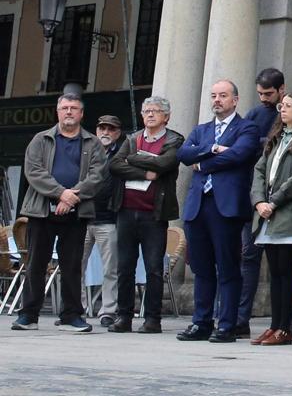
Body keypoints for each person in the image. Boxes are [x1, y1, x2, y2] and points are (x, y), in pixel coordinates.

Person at [10, 93, 105, 332]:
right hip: (41, 211)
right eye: (65, 108)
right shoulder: (40, 139)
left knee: (72, 265)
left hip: (76, 212)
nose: (69, 112)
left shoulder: (93, 143)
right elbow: (34, 172)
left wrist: (72, 197)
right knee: (36, 263)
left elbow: (97, 175)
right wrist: (61, 193)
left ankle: (71, 315)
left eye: (74, 108)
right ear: (58, 111)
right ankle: (28, 315)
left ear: (82, 114)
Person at [177, 79, 262, 342]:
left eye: (223, 95)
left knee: (227, 267)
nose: (217, 100)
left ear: (235, 100)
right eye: (213, 95)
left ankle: (227, 324)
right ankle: (201, 322)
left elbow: (239, 155)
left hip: (226, 207)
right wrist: (212, 149)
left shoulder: (246, 128)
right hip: (197, 207)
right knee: (201, 269)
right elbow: (183, 153)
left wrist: (203, 164)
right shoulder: (201, 130)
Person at [107, 96, 184, 334]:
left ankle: (152, 319)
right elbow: (115, 165)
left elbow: (164, 164)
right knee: (125, 267)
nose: (150, 114)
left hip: (154, 214)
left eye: (156, 111)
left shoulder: (174, 139)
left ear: (166, 117)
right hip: (127, 211)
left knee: (153, 268)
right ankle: (124, 317)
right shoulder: (132, 138)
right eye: (146, 111)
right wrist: (144, 171)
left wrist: (133, 159)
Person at [250, 91, 292, 346]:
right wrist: (258, 201)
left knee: (286, 269)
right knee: (275, 271)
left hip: (289, 211)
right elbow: (259, 170)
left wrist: (274, 201)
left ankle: (286, 327)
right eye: (282, 106)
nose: (283, 109)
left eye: (288, 106)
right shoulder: (276, 138)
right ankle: (274, 325)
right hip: (268, 211)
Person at [236, 67, 286, 337]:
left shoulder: (291, 109)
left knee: (286, 264)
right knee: (249, 257)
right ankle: (242, 317)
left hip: (284, 199)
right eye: (260, 93)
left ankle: (287, 320)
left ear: (281, 89)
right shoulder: (255, 114)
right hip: (255, 196)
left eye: (268, 93)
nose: (264, 98)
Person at [81, 114, 124, 326]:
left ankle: (108, 310)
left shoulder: (122, 154)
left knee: (111, 269)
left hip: (108, 218)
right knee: (75, 266)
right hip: (82, 218)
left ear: (117, 133)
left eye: (110, 129)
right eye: (102, 128)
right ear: (96, 131)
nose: (105, 132)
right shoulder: (86, 151)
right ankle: (76, 309)